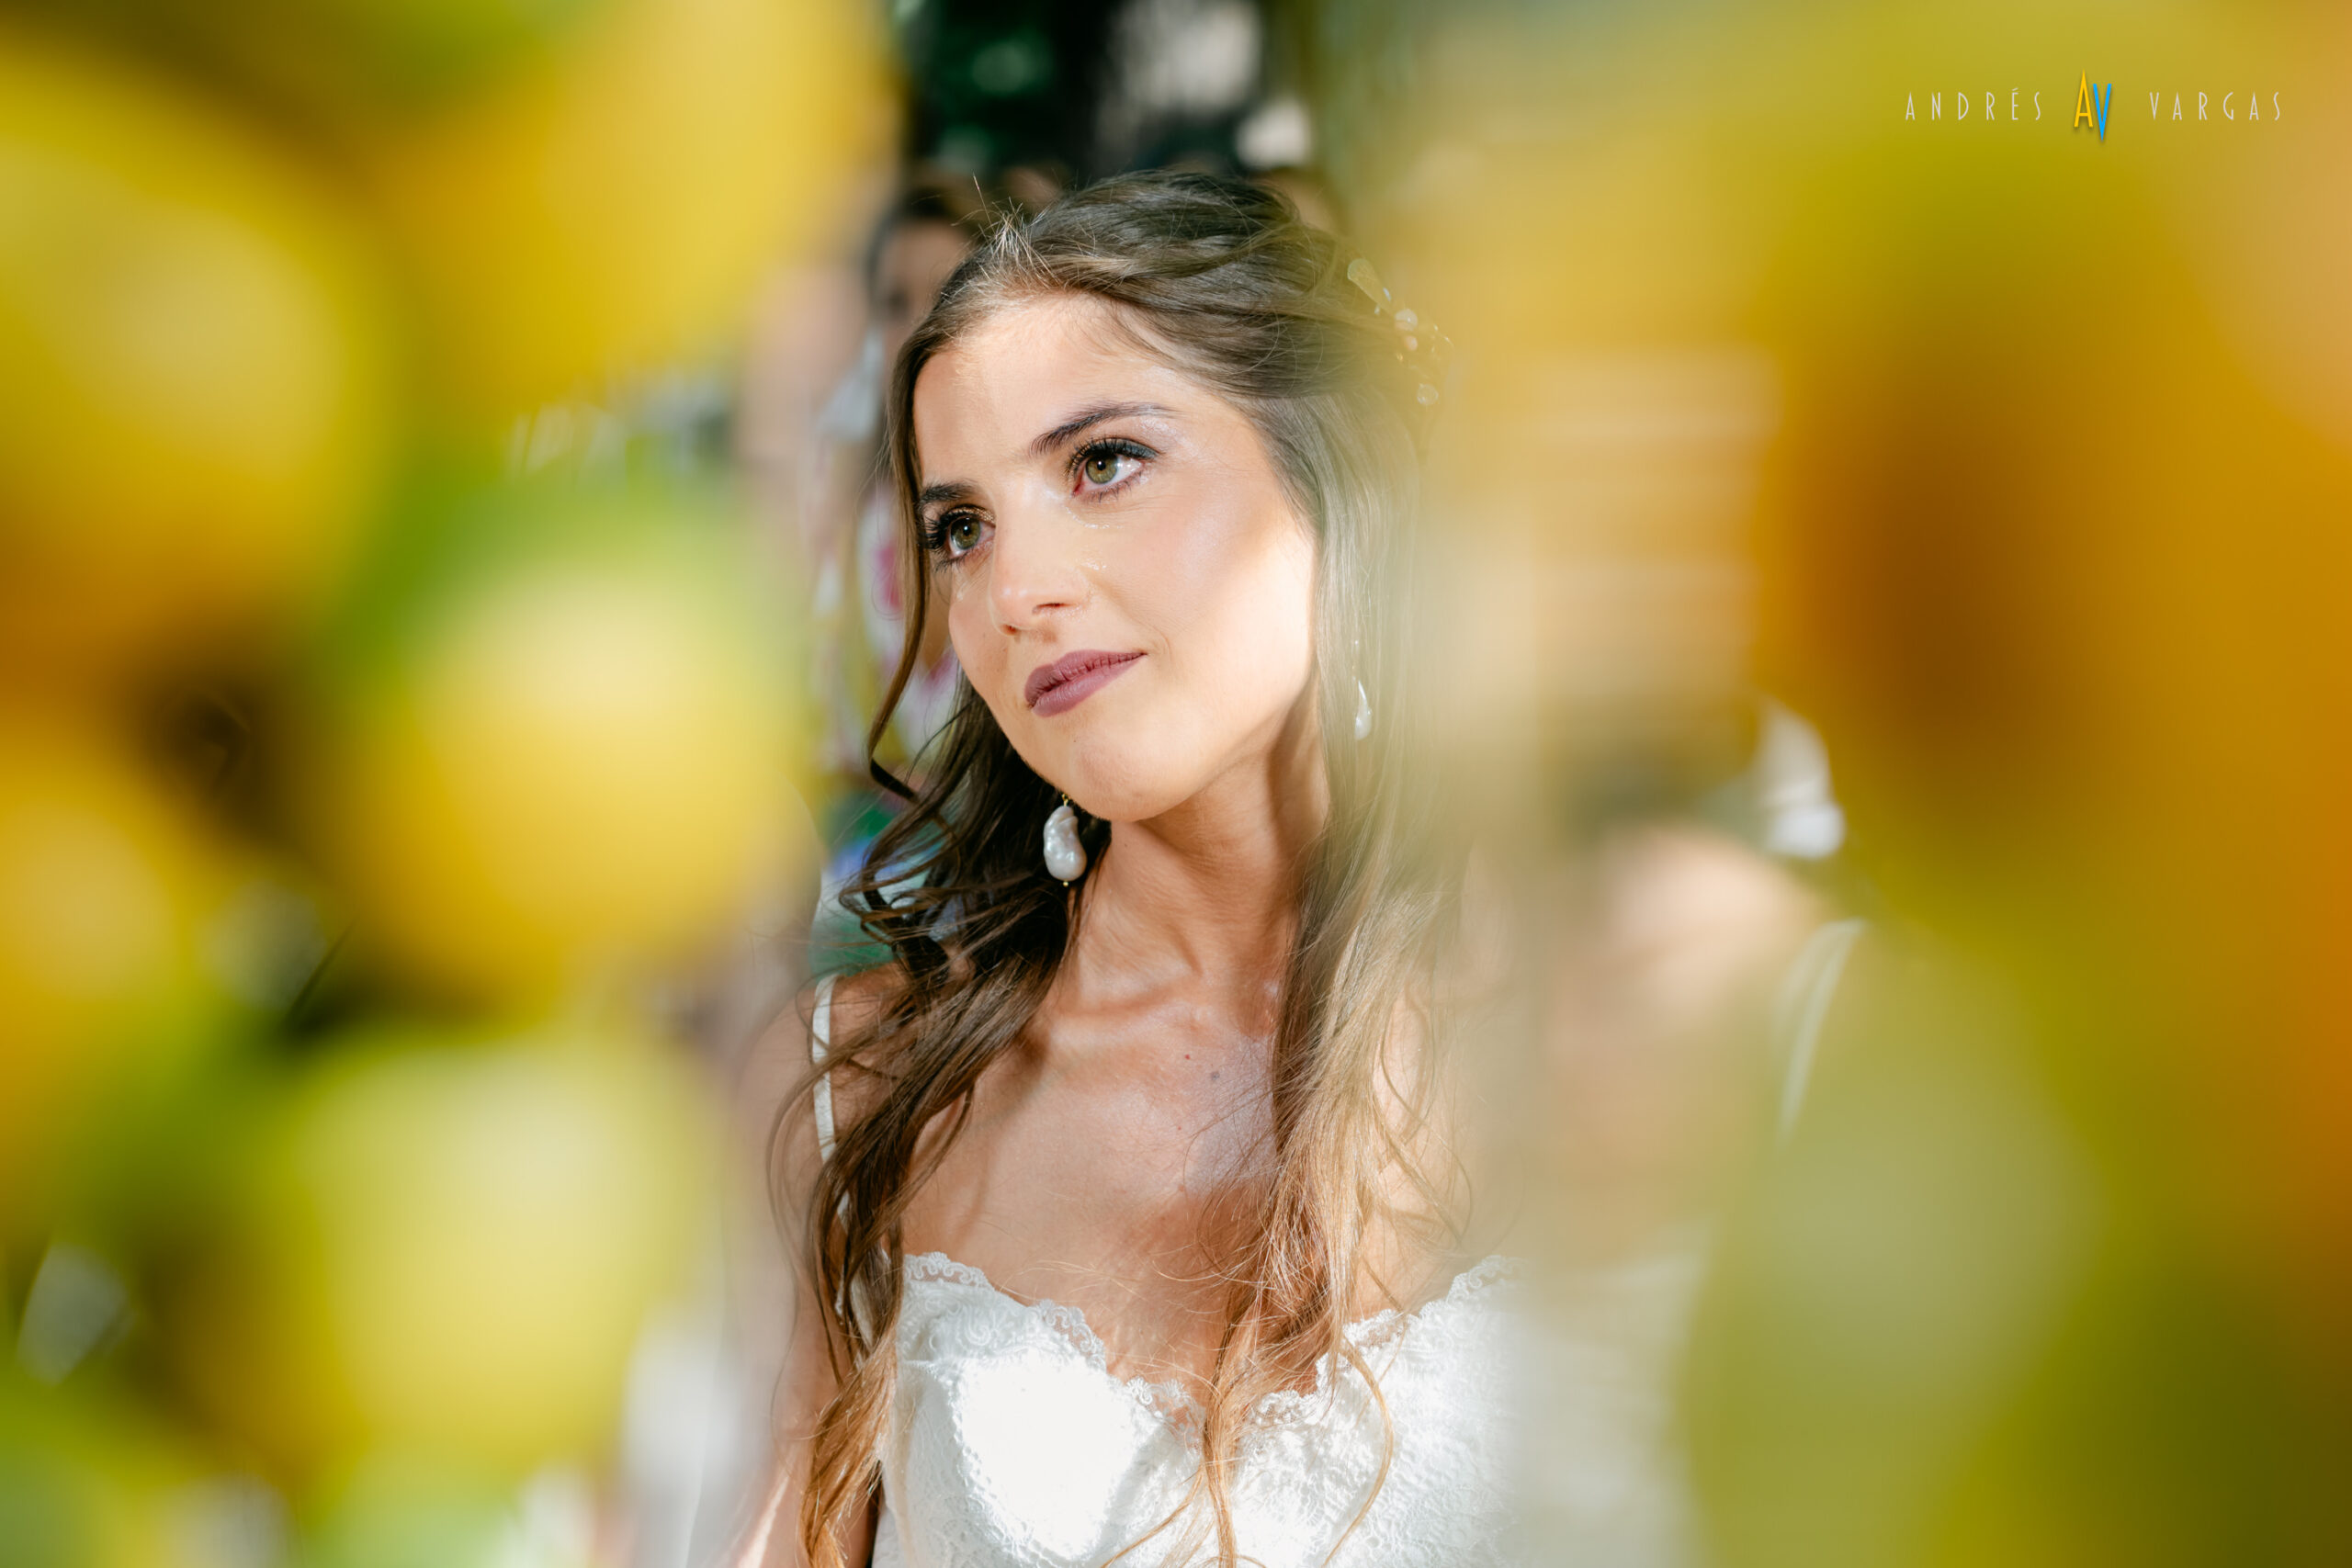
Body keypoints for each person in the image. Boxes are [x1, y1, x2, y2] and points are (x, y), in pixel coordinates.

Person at [736, 172, 1519, 1568]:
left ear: (1335, 476)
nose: (1013, 592)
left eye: (1102, 463)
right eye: (961, 528)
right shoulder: (863, 1094)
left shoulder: (1637, 1027)